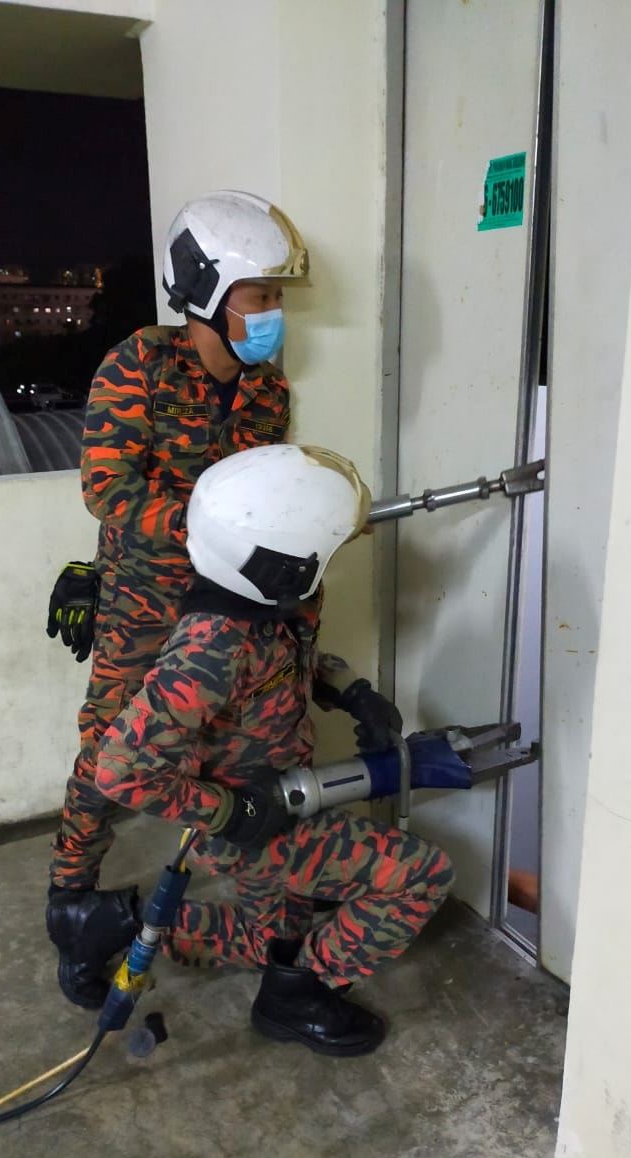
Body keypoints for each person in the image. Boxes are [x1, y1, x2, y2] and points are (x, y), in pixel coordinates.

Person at [93, 445, 455, 1057]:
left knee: (275, 939)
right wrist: (231, 814)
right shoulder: (213, 646)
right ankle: (296, 998)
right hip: (252, 823)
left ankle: (119, 922)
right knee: (421, 875)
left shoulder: (271, 605)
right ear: (282, 562)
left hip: (281, 797)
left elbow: (296, 667)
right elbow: (121, 770)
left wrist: (352, 694)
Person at [46, 191, 312, 1008]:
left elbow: (267, 495)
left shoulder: (268, 392)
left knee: (248, 752)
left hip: (228, 615)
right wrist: (210, 535)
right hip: (143, 606)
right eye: (259, 296)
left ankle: (281, 911)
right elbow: (108, 489)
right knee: (106, 757)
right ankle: (71, 905)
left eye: (276, 298)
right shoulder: (139, 366)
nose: (272, 314)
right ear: (207, 291)